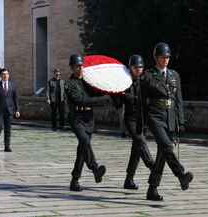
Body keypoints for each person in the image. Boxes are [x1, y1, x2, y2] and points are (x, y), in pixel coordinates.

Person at [141, 42, 193, 201]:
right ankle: (181, 175)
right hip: (155, 116)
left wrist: (180, 121)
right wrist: (141, 122)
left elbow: (178, 100)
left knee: (162, 155)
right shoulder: (148, 75)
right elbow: (142, 100)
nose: (166, 60)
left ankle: (152, 189)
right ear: (156, 58)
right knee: (166, 146)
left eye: (167, 57)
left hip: (169, 116)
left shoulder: (174, 75)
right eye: (163, 57)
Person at [65, 54, 110, 191]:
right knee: (84, 141)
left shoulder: (88, 81)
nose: (79, 68)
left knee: (82, 150)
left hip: (89, 118)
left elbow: (96, 92)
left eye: (80, 66)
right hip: (77, 118)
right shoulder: (69, 84)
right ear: (72, 68)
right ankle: (95, 168)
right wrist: (103, 99)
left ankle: (75, 180)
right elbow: (81, 100)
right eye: (76, 66)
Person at [121, 55, 155, 190]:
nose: (138, 70)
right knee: (140, 142)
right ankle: (152, 166)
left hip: (142, 118)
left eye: (140, 67)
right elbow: (123, 98)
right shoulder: (124, 81)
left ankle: (129, 180)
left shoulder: (145, 81)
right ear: (131, 68)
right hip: (131, 119)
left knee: (136, 150)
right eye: (136, 67)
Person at [0, 68, 20, 152]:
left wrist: (17, 110)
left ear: (8, 75)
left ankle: (7, 146)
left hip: (9, 110)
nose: (5, 75)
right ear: (0, 76)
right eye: (3, 74)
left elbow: (15, 98)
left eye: (7, 74)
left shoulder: (13, 85)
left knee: (8, 129)